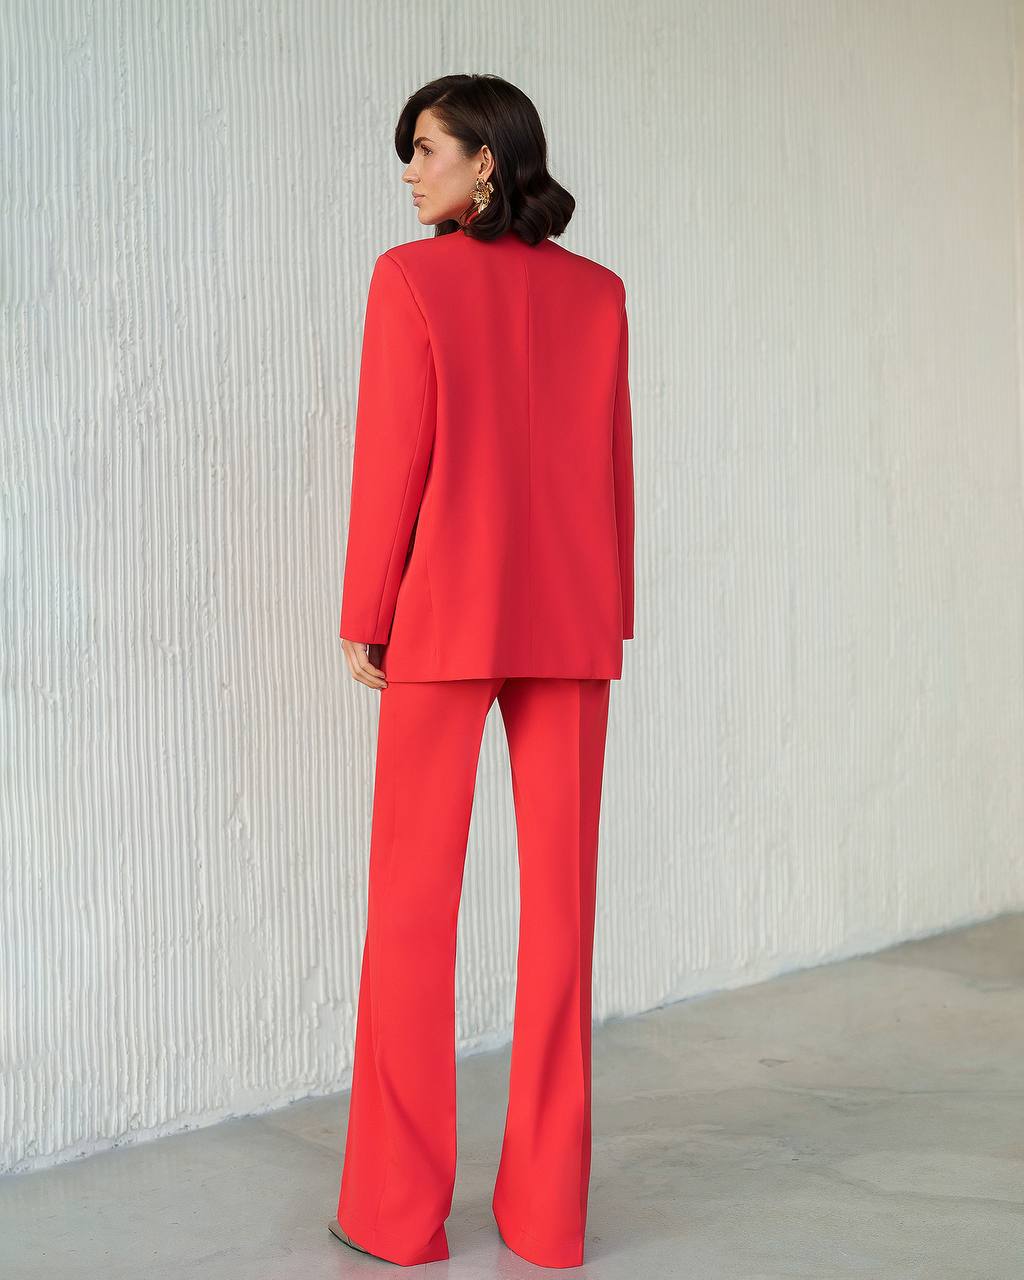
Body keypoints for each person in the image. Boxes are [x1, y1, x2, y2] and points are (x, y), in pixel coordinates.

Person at [328, 72, 635, 1269]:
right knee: (561, 920)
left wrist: (365, 613)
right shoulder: (600, 294)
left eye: (425, 150)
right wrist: (608, 614)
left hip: (445, 623)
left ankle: (398, 1212)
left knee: (411, 913)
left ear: (485, 165)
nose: (409, 171)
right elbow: (612, 465)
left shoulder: (408, 280)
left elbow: (391, 460)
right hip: (568, 623)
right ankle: (549, 1216)